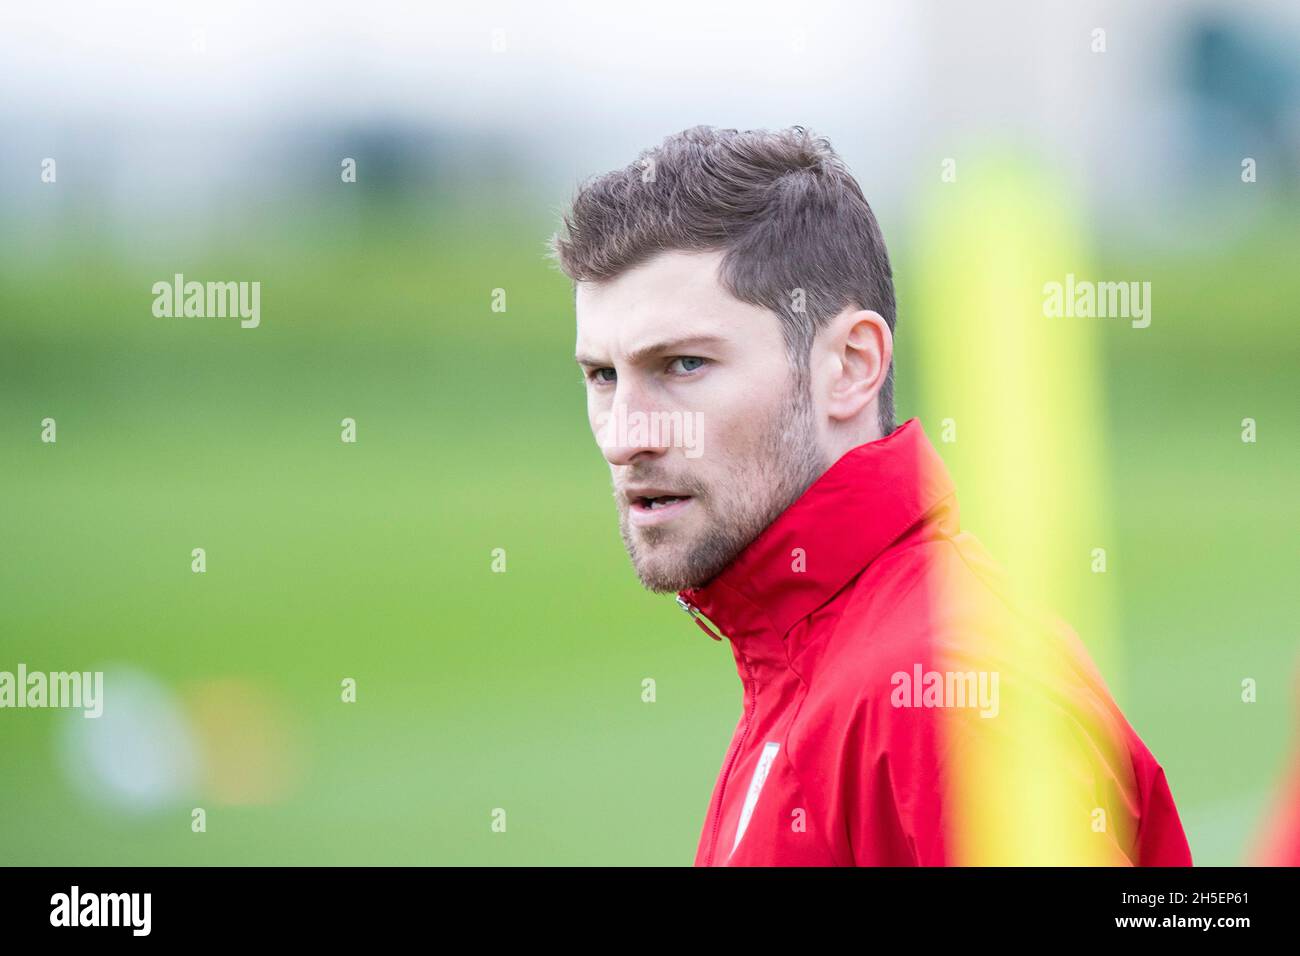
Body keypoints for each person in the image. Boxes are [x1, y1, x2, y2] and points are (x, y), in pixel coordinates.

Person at [549, 125, 1192, 866]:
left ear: (851, 365)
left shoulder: (948, 699)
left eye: (684, 364)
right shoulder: (807, 657)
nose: (625, 435)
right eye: (602, 376)